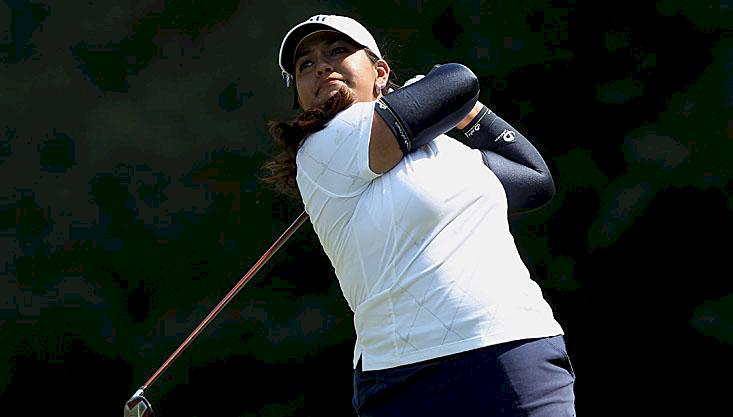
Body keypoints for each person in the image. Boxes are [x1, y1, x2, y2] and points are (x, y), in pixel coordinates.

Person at [264, 14, 576, 417]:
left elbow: (534, 179)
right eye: (305, 65)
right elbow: (457, 80)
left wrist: (468, 115)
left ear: (380, 72)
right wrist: (438, 98)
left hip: (512, 347)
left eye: (338, 51)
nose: (322, 66)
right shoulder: (322, 146)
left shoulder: (448, 151)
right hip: (405, 378)